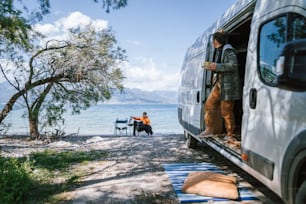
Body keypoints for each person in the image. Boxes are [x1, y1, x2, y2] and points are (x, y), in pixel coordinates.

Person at [201, 30, 241, 139]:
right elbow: (218, 65)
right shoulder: (218, 50)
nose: (212, 43)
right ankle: (209, 130)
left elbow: (233, 65)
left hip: (228, 86)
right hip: (219, 83)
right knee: (209, 104)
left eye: (213, 40)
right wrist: (209, 66)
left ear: (215, 40)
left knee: (226, 111)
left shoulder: (228, 49)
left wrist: (216, 67)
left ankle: (230, 134)